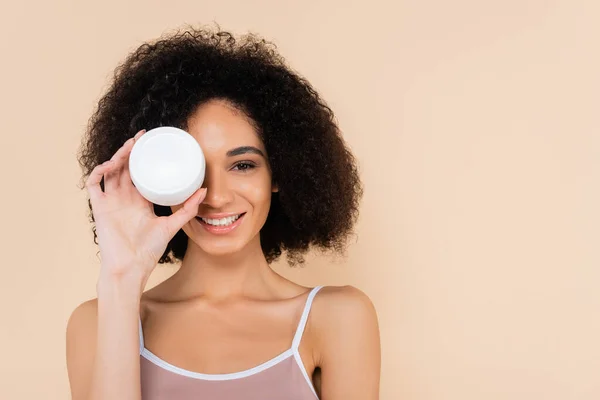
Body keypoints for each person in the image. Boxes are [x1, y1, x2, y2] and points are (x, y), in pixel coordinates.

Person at [66, 25, 381, 400]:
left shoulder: (337, 317)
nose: (215, 197)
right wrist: (121, 278)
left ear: (279, 172)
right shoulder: (96, 323)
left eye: (243, 165)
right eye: (195, 170)